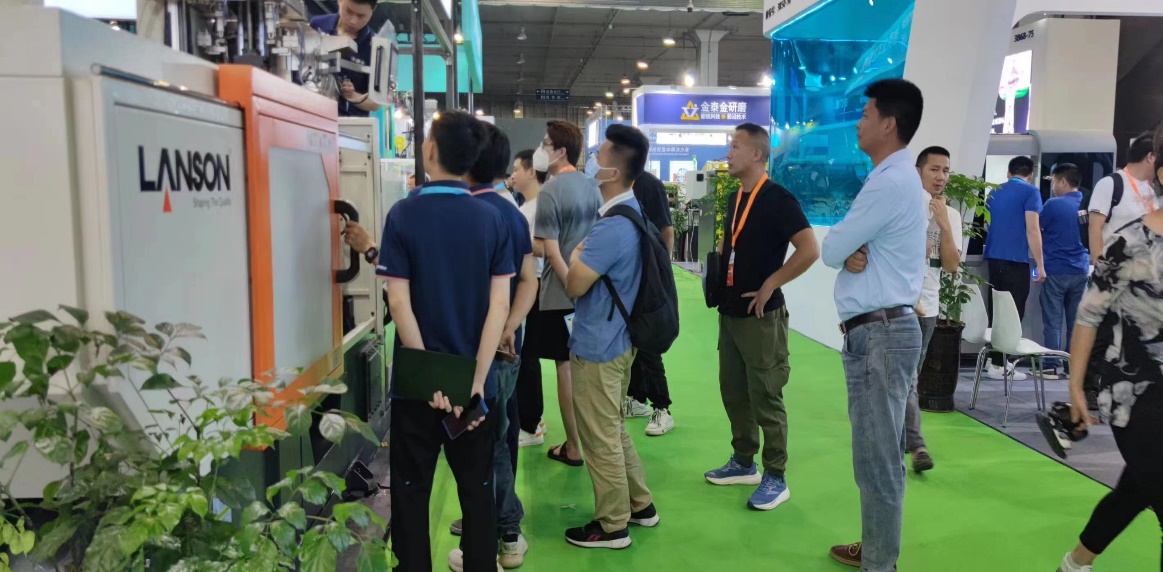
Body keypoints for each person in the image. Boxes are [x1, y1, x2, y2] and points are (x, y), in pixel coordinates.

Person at [380, 111, 513, 572]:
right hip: (475, 389)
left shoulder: (403, 213)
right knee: (477, 492)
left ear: (431, 150)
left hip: (417, 389)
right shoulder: (491, 218)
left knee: (411, 492)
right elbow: (499, 306)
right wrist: (474, 382)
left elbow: (398, 302)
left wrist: (430, 376)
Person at [821, 79, 927, 572]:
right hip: (884, 331)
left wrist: (847, 251)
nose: (858, 123)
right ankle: (877, 548)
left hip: (880, 335)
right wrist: (852, 252)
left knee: (877, 457)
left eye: (866, 114)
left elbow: (830, 248)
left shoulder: (889, 181)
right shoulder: (896, 178)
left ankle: (880, 562)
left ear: (888, 123)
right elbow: (847, 249)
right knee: (878, 453)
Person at [1055, 133, 1163, 572]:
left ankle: (1073, 565)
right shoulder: (1129, 242)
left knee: (1135, 490)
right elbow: (1088, 314)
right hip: (1134, 395)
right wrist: (1075, 387)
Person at [703, 123, 818, 511]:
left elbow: (809, 249)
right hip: (731, 312)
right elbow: (731, 243)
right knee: (734, 392)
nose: (729, 152)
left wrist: (772, 283)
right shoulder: (736, 197)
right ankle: (743, 461)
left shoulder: (778, 198)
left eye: (735, 146)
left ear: (756, 154)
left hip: (762, 316)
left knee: (766, 394)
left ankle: (776, 475)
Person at [562, 124, 658, 549]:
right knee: (613, 429)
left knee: (600, 438)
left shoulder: (612, 226)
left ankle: (612, 524)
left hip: (599, 346)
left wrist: (573, 254)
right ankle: (640, 505)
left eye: (597, 156)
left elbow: (575, 284)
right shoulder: (631, 213)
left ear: (613, 172)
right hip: (619, 340)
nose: (590, 162)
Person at [445, 124, 536, 570]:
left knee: (480, 444)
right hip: (506, 347)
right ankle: (503, 533)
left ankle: (494, 534)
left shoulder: (464, 213)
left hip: (470, 349)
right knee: (496, 436)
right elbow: (529, 281)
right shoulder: (512, 214)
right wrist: (510, 326)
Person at [534, 121, 602, 467]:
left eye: (546, 144)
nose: (541, 150)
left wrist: (571, 284)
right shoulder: (593, 187)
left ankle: (574, 446)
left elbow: (550, 250)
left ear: (561, 152)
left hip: (562, 293)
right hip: (592, 290)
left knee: (566, 369)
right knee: (588, 370)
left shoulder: (550, 190)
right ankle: (593, 442)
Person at [908, 146, 962, 474]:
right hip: (899, 304)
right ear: (919, 172)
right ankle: (916, 445)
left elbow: (952, 266)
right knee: (906, 378)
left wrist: (943, 225)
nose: (941, 176)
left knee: (908, 377)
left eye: (946, 171)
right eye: (934, 169)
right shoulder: (903, 208)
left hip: (927, 307)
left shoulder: (950, 215)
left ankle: (906, 439)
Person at [982, 155, 1044, 380]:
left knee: (997, 311)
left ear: (1009, 173)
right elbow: (1033, 229)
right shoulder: (1031, 192)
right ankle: (1000, 365)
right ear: (1030, 175)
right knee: (1014, 312)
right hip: (1016, 260)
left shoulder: (994, 191)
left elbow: (987, 224)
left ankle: (992, 360)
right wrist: (1040, 265)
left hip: (994, 258)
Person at [626, 170, 677, 436]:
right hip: (626, 277)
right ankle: (637, 398)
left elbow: (667, 230)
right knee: (632, 339)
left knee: (648, 343)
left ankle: (662, 408)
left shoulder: (649, 185)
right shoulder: (614, 183)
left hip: (649, 277)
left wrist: (661, 272)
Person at [1037, 163, 1090, 381]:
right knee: (1075, 323)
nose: (1053, 187)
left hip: (1055, 270)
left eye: (1054, 182)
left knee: (1053, 321)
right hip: (1081, 270)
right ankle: (1071, 367)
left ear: (1064, 182)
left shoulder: (1053, 204)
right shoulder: (1087, 203)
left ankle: (1050, 366)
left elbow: (1036, 228)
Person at [512, 149, 549, 447]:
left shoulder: (541, 208)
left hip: (536, 286)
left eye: (517, 169)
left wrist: (517, 240)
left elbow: (548, 247)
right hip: (528, 285)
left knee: (528, 358)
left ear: (531, 172)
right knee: (526, 356)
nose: (513, 175)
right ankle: (534, 419)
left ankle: (531, 424)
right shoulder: (525, 207)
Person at [1087, 132, 1159, 261]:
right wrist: (1099, 266)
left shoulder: (1151, 190)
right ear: (1151, 157)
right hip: (1115, 267)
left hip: (1144, 267)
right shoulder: (1110, 184)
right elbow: (1095, 228)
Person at [308, 0, 382, 117]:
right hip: (312, 113)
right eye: (348, 11)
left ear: (372, 11)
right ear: (340, 1)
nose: (353, 21)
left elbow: (375, 103)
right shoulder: (317, 25)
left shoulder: (376, 47)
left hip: (348, 123)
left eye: (361, 16)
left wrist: (352, 95)